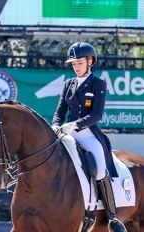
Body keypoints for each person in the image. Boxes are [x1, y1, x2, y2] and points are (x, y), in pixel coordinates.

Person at [52, 42, 127, 232]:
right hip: (66, 134)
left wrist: (75, 124)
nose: (76, 67)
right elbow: (60, 110)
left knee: (100, 170)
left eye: (79, 63)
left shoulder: (98, 84)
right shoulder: (68, 85)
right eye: (74, 64)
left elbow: (97, 115)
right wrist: (55, 125)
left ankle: (112, 217)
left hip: (86, 133)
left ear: (90, 61)